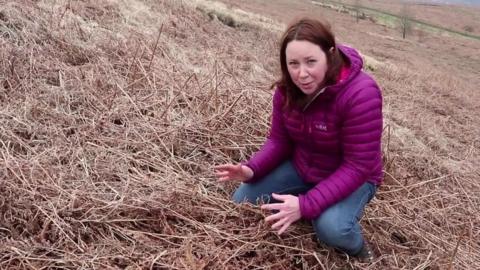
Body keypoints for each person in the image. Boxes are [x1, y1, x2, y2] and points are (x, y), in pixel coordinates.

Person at [214, 17, 382, 262]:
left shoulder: (361, 94)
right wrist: (251, 169)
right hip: (304, 165)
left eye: (311, 62)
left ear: (330, 54)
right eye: (293, 63)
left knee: (332, 230)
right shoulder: (286, 90)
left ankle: (359, 249)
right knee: (243, 199)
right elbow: (279, 141)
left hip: (355, 176)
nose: (302, 74)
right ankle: (312, 198)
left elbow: (358, 165)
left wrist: (305, 205)